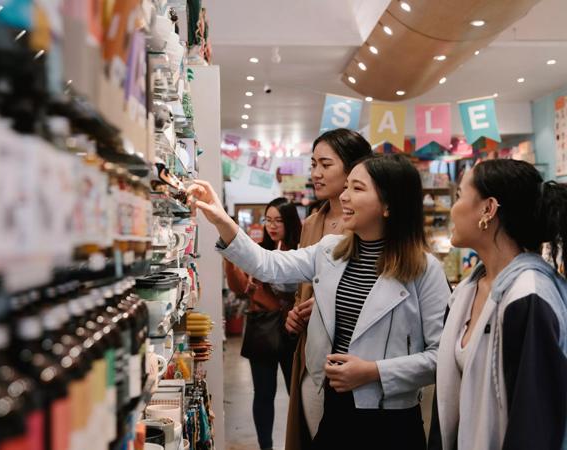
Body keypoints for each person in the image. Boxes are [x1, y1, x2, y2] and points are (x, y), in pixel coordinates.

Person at [188, 154, 451, 448]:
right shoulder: (330, 250)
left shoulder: (424, 270)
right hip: (335, 409)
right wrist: (221, 219)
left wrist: (373, 371)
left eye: (357, 188)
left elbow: (441, 357)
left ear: (389, 205)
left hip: (392, 420)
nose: (344, 196)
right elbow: (267, 264)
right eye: (347, 186)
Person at [429, 159, 567, 450]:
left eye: (459, 197)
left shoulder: (529, 296)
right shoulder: (466, 291)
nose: (453, 209)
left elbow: (536, 421)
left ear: (487, 209)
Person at [284, 128, 372, 449]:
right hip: (311, 358)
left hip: (355, 363)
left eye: (325, 164)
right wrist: (295, 313)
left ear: (352, 169)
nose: (316, 174)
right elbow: (301, 289)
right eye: (313, 164)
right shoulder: (311, 224)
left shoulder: (369, 226)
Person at [224, 197, 302, 450]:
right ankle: (265, 447)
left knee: (298, 395)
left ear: (290, 222)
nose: (272, 225)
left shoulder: (303, 251)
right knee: (263, 394)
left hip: (294, 329)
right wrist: (230, 258)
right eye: (268, 219)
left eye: (278, 220)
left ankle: (299, 442)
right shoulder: (259, 251)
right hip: (263, 329)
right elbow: (240, 289)